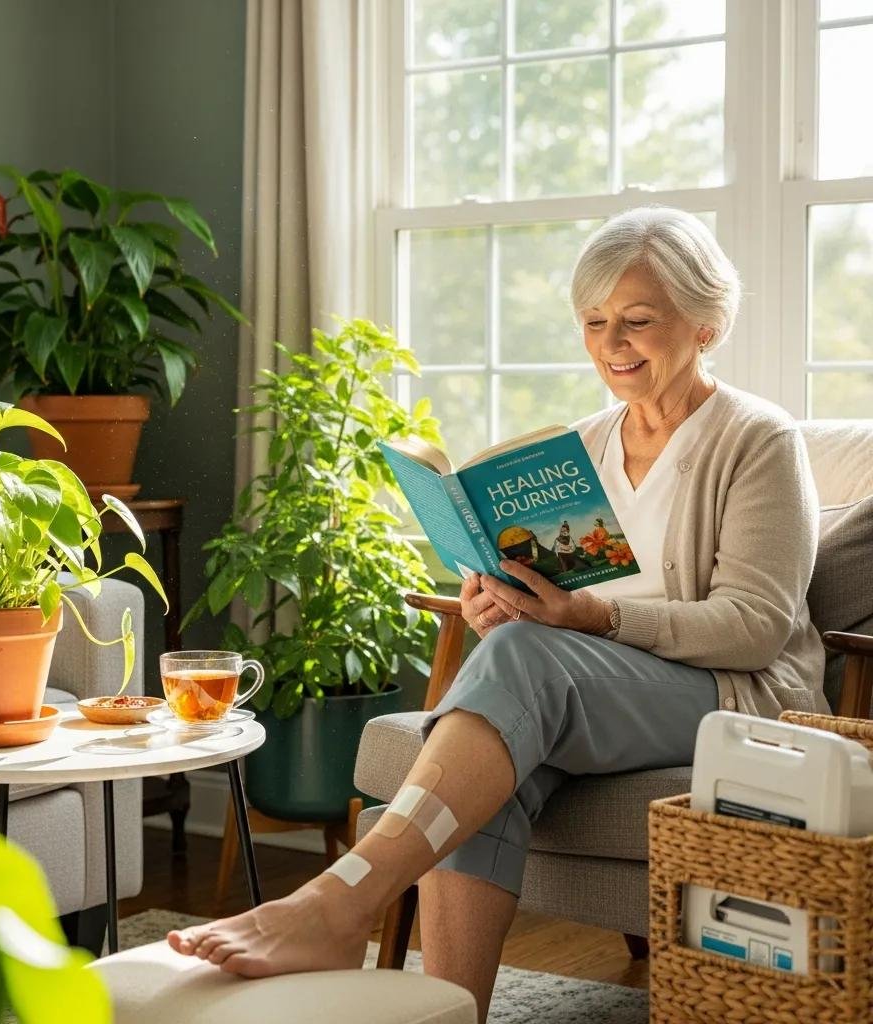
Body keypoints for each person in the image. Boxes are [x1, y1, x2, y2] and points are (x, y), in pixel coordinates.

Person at [166, 206, 828, 1024]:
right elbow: (561, 618)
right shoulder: (581, 445)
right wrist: (504, 604)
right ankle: (454, 1013)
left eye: (638, 321)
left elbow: (756, 625)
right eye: (594, 322)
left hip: (729, 694)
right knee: (490, 767)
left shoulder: (759, 439)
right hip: (586, 687)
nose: (612, 343)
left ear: (706, 325)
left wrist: (591, 620)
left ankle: (338, 905)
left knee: (521, 674)